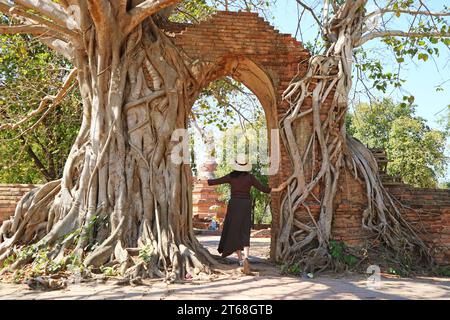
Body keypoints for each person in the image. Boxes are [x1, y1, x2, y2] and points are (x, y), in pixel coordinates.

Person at [207, 154, 288, 274]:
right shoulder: (250, 178)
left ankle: (240, 260)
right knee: (245, 230)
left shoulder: (231, 176)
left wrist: (204, 179)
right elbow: (264, 189)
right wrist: (279, 188)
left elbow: (214, 182)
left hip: (234, 205)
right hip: (245, 205)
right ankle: (246, 258)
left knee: (234, 231)